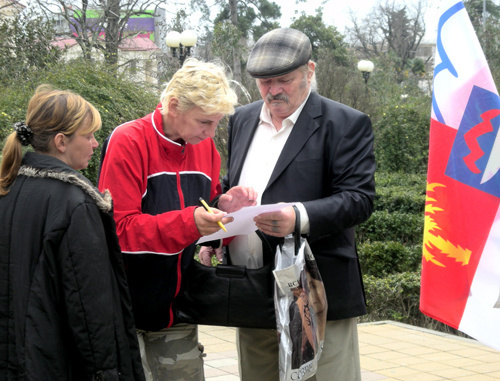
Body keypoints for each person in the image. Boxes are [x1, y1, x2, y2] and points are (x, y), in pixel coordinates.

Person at [221, 28, 376, 381]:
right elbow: (230, 184)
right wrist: (224, 203)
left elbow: (359, 199)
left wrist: (299, 216)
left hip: (315, 290)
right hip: (252, 285)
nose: (273, 90)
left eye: (283, 80)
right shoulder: (242, 119)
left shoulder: (345, 123)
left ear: (310, 70)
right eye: (264, 82)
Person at [97, 58, 256, 380]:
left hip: (179, 306)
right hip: (126, 305)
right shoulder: (128, 140)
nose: (211, 133)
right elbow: (119, 230)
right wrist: (191, 222)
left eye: (216, 123)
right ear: (173, 105)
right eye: (204, 122)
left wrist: (225, 208)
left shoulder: (205, 147)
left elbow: (203, 223)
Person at [0, 85, 145, 380]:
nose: (95, 144)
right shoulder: (75, 203)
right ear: (61, 142)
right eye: (89, 135)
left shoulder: (8, 189)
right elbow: (91, 309)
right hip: (57, 364)